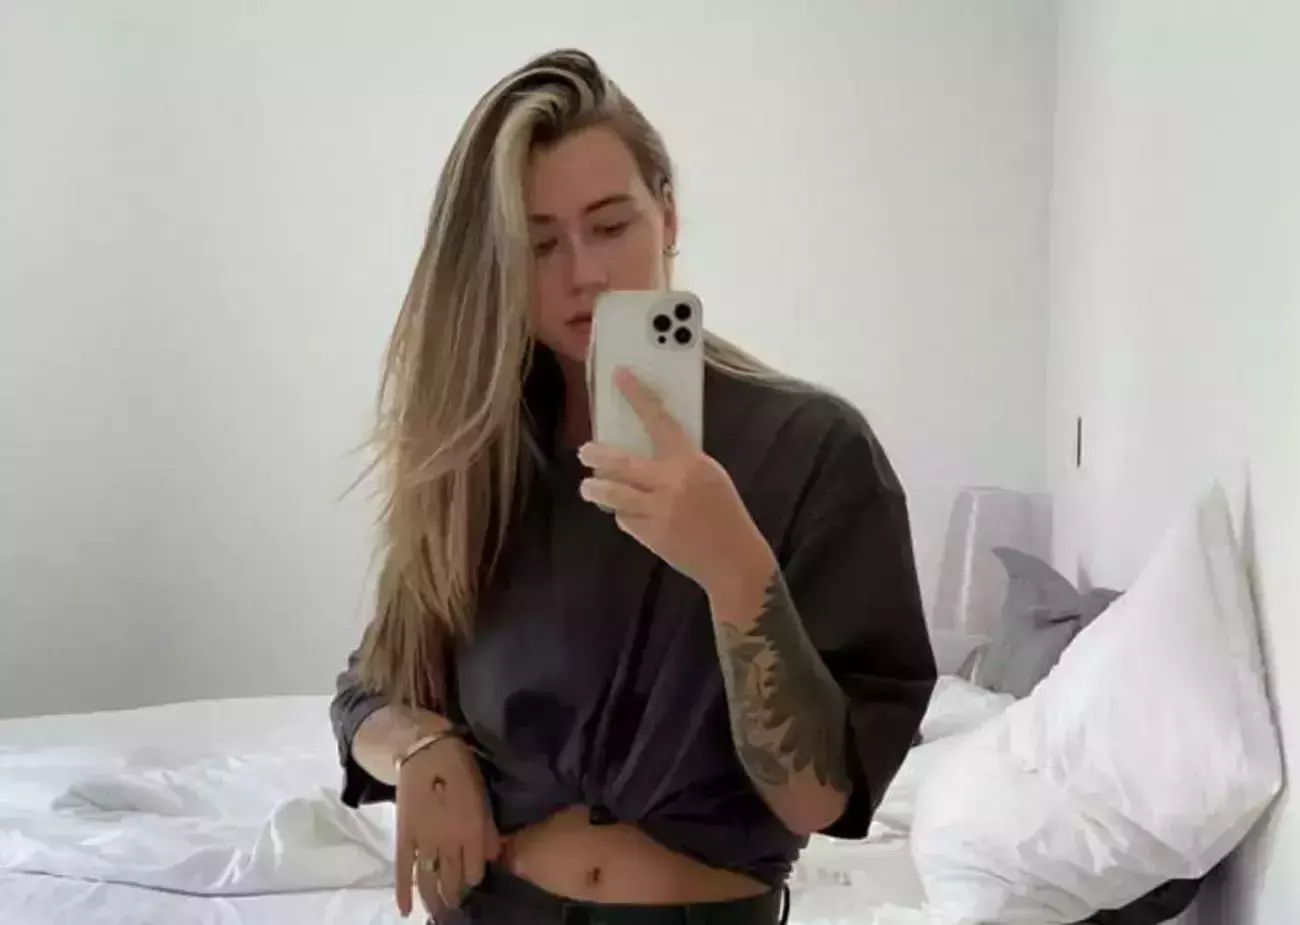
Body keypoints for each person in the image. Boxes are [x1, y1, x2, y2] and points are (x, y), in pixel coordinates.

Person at [330, 48, 937, 925]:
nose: (583, 273)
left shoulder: (814, 451)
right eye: (539, 244)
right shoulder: (479, 457)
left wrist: (735, 572)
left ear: (668, 215)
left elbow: (819, 797)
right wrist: (420, 747)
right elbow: (366, 690)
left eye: (611, 226)